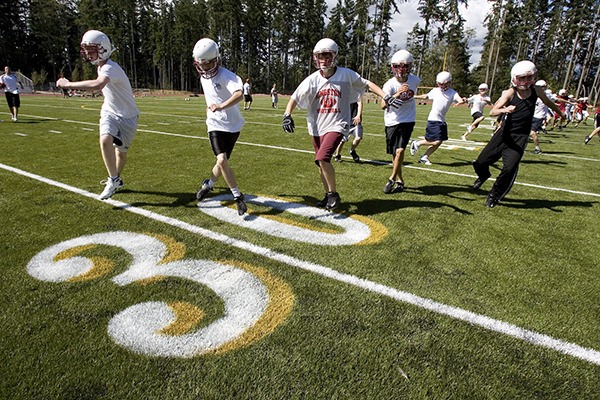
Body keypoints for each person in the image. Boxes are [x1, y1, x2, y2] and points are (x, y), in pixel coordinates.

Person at [281, 38, 401, 210]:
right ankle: (327, 194)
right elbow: (294, 97)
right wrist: (287, 114)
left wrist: (385, 96)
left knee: (322, 158)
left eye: (326, 55)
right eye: (320, 55)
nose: (323, 59)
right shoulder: (312, 79)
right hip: (316, 125)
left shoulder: (346, 74)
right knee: (320, 163)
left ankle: (333, 194)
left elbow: (367, 84)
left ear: (334, 55)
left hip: (338, 123)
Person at [56, 30, 139, 200]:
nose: (87, 53)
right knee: (105, 140)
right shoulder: (102, 66)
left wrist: (68, 84)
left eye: (91, 49)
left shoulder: (110, 67)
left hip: (129, 117)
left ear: (103, 49)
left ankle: (116, 180)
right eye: (86, 49)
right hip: (109, 111)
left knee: (121, 153)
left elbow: (98, 84)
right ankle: (114, 179)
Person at [471, 60, 565, 208]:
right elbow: (492, 111)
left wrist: (560, 113)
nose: (525, 81)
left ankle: (494, 195)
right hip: (503, 133)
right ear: (515, 78)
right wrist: (504, 110)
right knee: (480, 162)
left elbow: (548, 102)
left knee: (509, 168)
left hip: (521, 136)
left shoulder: (537, 90)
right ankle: (483, 175)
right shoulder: (511, 92)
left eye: (529, 78)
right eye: (522, 78)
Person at [193, 38, 248, 216]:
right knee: (223, 160)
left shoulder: (227, 76)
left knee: (221, 163)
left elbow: (239, 94)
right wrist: (213, 108)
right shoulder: (203, 76)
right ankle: (238, 196)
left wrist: (221, 106)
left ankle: (208, 185)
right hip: (214, 124)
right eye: (202, 65)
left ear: (217, 59)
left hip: (233, 126)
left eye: (209, 65)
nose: (206, 69)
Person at [380, 49, 421, 193]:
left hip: (408, 120)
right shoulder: (389, 85)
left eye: (404, 66)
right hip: (392, 121)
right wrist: (397, 94)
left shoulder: (415, 80)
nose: (401, 70)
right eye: (398, 66)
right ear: (393, 67)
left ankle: (391, 178)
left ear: (410, 67)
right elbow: (383, 105)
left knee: (400, 150)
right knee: (395, 154)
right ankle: (400, 180)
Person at [410, 71, 466, 165]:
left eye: (444, 84)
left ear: (449, 83)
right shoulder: (435, 91)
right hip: (434, 119)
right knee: (436, 141)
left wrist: (461, 101)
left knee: (439, 142)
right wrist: (414, 96)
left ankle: (424, 157)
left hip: (442, 120)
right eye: (440, 84)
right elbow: (426, 96)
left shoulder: (452, 93)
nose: (442, 86)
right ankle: (417, 143)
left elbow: (460, 99)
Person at [333, 92, 363, 163]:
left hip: (355, 121)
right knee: (342, 141)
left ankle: (352, 151)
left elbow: (360, 103)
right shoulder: (342, 95)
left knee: (358, 138)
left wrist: (358, 115)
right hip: (345, 122)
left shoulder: (356, 93)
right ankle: (337, 155)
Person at [529, 79, 549, 154]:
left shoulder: (547, 95)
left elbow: (557, 99)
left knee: (532, 133)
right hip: (532, 115)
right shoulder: (534, 94)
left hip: (538, 117)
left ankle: (537, 148)